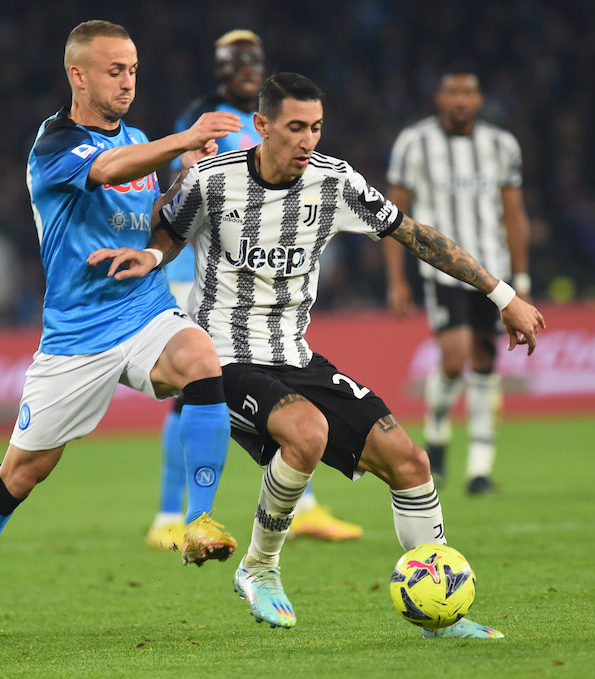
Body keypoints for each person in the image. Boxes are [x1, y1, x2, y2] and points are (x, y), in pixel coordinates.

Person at [88, 72, 545, 639]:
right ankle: (259, 568)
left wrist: (503, 296)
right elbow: (168, 228)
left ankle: (441, 613)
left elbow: (415, 234)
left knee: (409, 462)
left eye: (316, 128)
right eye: (296, 128)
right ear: (262, 126)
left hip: (296, 356)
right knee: (306, 432)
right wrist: (154, 257)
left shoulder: (334, 182)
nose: (308, 140)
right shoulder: (212, 179)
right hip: (222, 358)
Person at [0, 20, 245, 657]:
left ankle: (199, 519)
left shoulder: (140, 141)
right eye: (114, 71)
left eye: (133, 71)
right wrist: (184, 139)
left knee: (201, 359)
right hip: (76, 335)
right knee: (23, 473)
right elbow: (106, 169)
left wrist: (183, 181)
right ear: (78, 75)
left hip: (143, 309)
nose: (127, 82)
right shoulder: (55, 143)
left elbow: (154, 217)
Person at [147, 30, 363, 553]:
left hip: (259, 273)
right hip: (201, 269)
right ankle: (168, 515)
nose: (247, 67)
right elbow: (183, 185)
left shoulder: (274, 118)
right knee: (194, 392)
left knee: (282, 379)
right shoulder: (205, 117)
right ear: (219, 68)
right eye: (235, 59)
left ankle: (302, 508)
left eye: (254, 59)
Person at [383, 62, 532, 495]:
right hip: (444, 272)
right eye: (453, 93)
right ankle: (437, 436)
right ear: (440, 98)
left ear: (479, 100)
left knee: (486, 363)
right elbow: (392, 215)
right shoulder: (414, 142)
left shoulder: (501, 145)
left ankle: (479, 471)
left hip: (494, 272)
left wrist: (521, 278)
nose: (461, 100)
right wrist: (397, 280)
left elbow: (514, 214)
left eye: (469, 93)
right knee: (453, 360)